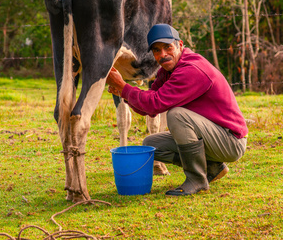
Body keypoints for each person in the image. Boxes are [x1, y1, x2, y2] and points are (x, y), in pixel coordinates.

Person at [106, 24, 248, 196]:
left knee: (177, 115)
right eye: (157, 50)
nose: (163, 55)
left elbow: (154, 104)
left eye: (168, 47)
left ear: (180, 45)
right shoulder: (168, 70)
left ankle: (197, 179)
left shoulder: (190, 69)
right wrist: (124, 93)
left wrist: (124, 86)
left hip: (230, 140)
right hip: (213, 135)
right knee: (151, 145)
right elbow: (148, 108)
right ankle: (213, 167)